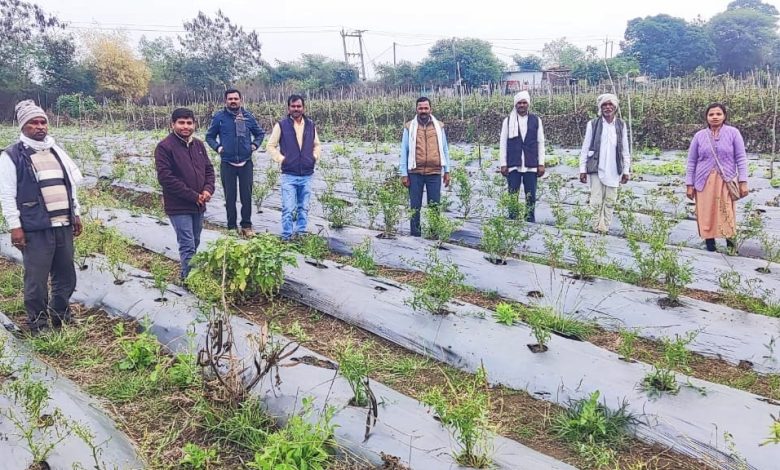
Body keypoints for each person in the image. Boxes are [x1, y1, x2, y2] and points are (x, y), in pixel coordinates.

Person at [0, 100, 83, 333]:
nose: (39, 127)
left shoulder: (56, 151)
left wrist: (75, 213)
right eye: (33, 123)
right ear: (23, 126)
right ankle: (38, 323)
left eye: (42, 122)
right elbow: (6, 194)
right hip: (35, 227)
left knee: (65, 274)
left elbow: (69, 186)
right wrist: (15, 227)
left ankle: (60, 313)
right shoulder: (12, 156)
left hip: (62, 223)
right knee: (36, 279)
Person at [155, 108, 215, 280]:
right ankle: (189, 280)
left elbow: (209, 170)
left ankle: (188, 275)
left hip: (199, 204)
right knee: (187, 244)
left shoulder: (198, 145)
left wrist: (207, 190)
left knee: (195, 241)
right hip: (179, 205)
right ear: (172, 124)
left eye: (189, 123)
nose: (186, 126)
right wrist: (193, 196)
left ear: (194, 124)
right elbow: (166, 178)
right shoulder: (165, 147)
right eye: (181, 123)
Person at [685, 103, 748, 252]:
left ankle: (731, 246)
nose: (715, 117)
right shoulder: (699, 136)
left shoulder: (733, 133)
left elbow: (741, 158)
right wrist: (689, 184)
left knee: (726, 211)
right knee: (706, 212)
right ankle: (710, 244)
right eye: (711, 114)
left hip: (725, 180)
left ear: (724, 116)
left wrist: (743, 181)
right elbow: (692, 161)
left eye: (718, 114)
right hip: (703, 181)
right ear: (706, 117)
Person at [206, 89, 265, 238]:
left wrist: (254, 145)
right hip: (227, 163)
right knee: (230, 197)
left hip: (246, 162)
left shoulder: (248, 117)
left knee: (246, 196)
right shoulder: (219, 117)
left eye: (236, 98)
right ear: (226, 101)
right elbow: (209, 136)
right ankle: (231, 227)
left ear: (240, 100)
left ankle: (246, 226)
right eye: (230, 99)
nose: (233, 101)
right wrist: (218, 148)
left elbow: (260, 133)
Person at [266, 94, 321, 241]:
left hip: (307, 174)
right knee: (288, 208)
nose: (296, 109)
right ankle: (287, 236)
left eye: (299, 106)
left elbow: (317, 144)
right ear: (288, 108)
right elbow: (270, 146)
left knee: (304, 207)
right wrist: (282, 159)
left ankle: (301, 234)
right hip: (289, 174)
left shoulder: (310, 125)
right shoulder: (281, 125)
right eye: (293, 106)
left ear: (303, 108)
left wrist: (314, 157)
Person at [578, 93, 631, 233]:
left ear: (615, 107)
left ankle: (605, 228)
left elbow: (625, 149)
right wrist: (582, 169)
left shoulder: (621, 125)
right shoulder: (593, 124)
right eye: (604, 105)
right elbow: (585, 147)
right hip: (597, 167)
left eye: (610, 104)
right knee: (596, 200)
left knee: (610, 200)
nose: (608, 107)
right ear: (600, 108)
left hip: (614, 169)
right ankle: (595, 227)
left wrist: (626, 170)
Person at [399, 97, 451, 237]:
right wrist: (404, 173)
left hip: (434, 172)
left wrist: (447, 170)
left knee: (434, 205)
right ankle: (415, 235)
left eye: (426, 108)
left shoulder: (439, 126)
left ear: (430, 109)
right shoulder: (409, 127)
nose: (423, 111)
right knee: (415, 206)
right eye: (420, 108)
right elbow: (404, 150)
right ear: (416, 109)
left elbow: (445, 149)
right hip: (414, 172)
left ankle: (434, 234)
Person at [499, 90, 546, 221]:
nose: (522, 105)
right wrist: (503, 164)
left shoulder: (536, 120)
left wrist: (541, 163)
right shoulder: (508, 121)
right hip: (514, 163)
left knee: (531, 195)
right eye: (519, 103)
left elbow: (540, 142)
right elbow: (503, 143)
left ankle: (530, 220)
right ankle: (512, 219)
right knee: (512, 193)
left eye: (524, 103)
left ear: (528, 104)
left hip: (531, 164)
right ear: (515, 104)